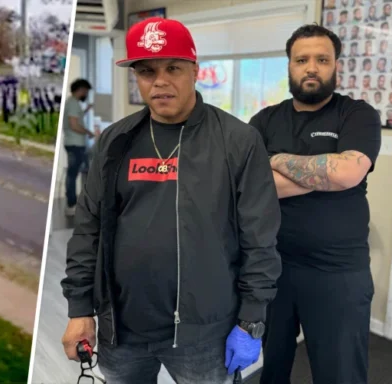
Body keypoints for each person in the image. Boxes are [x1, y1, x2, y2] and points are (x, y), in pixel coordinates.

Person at [60, 16, 282, 384]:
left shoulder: (238, 142)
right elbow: (87, 230)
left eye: (173, 68)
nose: (159, 81)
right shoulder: (116, 142)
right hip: (122, 330)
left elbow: (260, 239)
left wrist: (251, 320)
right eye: (146, 70)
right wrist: (80, 308)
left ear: (195, 70)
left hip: (205, 336)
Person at [247, 24, 382, 384]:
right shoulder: (264, 120)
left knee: (340, 372)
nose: (311, 67)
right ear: (289, 66)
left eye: (322, 59)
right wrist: (324, 173)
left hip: (338, 272)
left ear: (336, 65)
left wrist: (274, 160)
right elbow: (250, 186)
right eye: (302, 59)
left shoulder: (357, 114)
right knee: (271, 367)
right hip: (272, 266)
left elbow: (347, 173)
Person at [62, 78, 96, 216]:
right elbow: (74, 125)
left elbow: (77, 118)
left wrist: (87, 109)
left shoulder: (72, 103)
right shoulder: (73, 104)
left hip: (75, 144)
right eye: (86, 91)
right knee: (73, 175)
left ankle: (78, 203)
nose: (86, 94)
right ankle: (71, 205)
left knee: (81, 172)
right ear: (81, 90)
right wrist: (89, 133)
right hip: (75, 144)